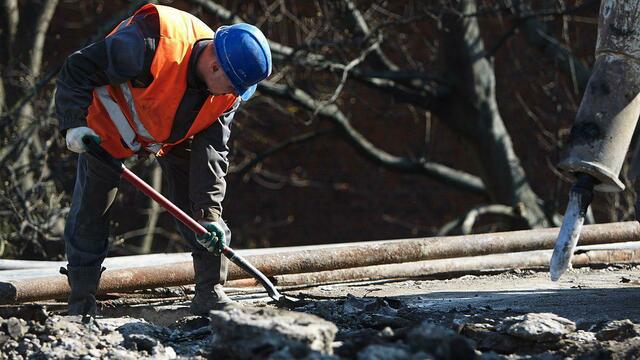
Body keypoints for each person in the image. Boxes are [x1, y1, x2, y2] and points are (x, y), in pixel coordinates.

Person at [55, 3, 272, 316]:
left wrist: (209, 213)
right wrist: (73, 123)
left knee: (203, 216)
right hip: (104, 130)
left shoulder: (227, 92)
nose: (235, 94)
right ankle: (81, 303)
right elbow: (76, 69)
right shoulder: (145, 44)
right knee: (92, 211)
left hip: (170, 136)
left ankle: (210, 291)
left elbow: (212, 154)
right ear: (215, 67)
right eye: (234, 85)